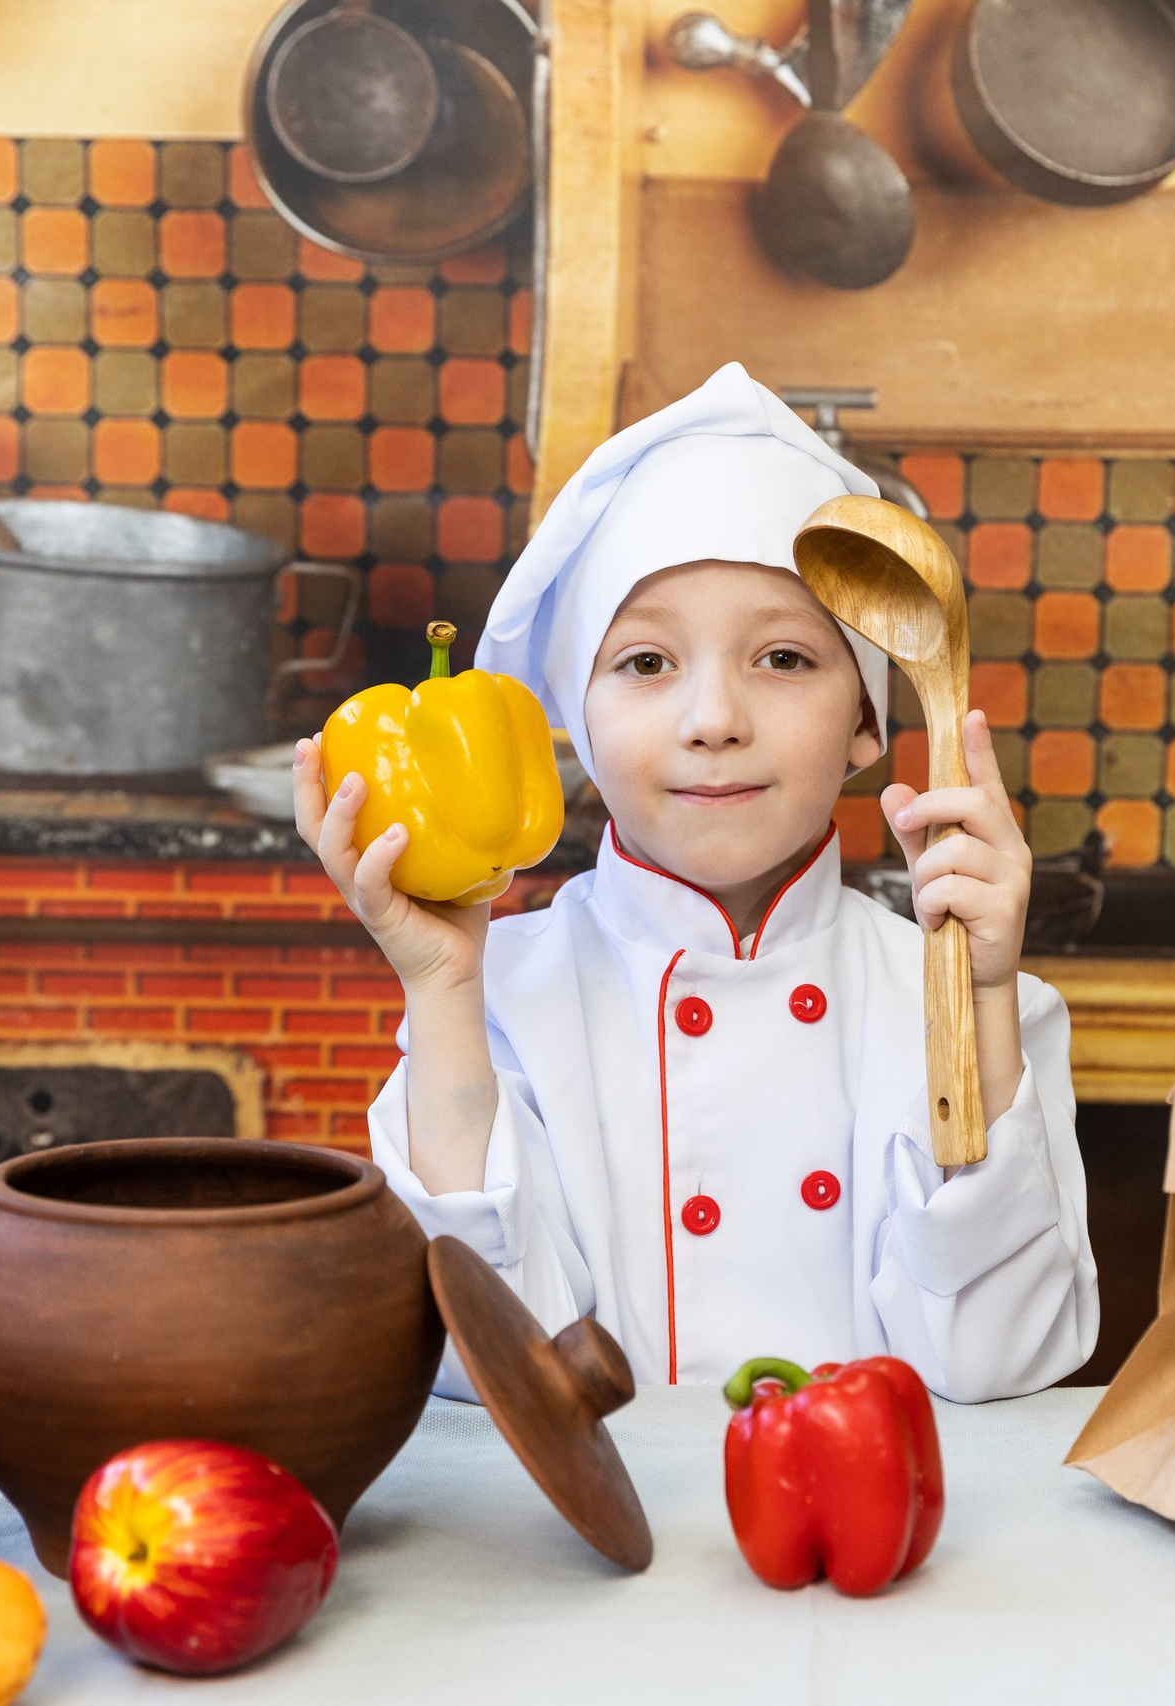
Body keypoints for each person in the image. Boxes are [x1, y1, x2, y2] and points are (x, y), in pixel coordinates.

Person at [293, 363, 1096, 1402]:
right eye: (643, 663)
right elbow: (476, 1370)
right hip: (603, 1552)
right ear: (576, 727)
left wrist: (977, 996)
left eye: (783, 657)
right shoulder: (501, 997)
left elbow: (1002, 1362)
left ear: (867, 721)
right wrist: (445, 989)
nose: (713, 717)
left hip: (877, 1546)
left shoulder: (982, 1004)